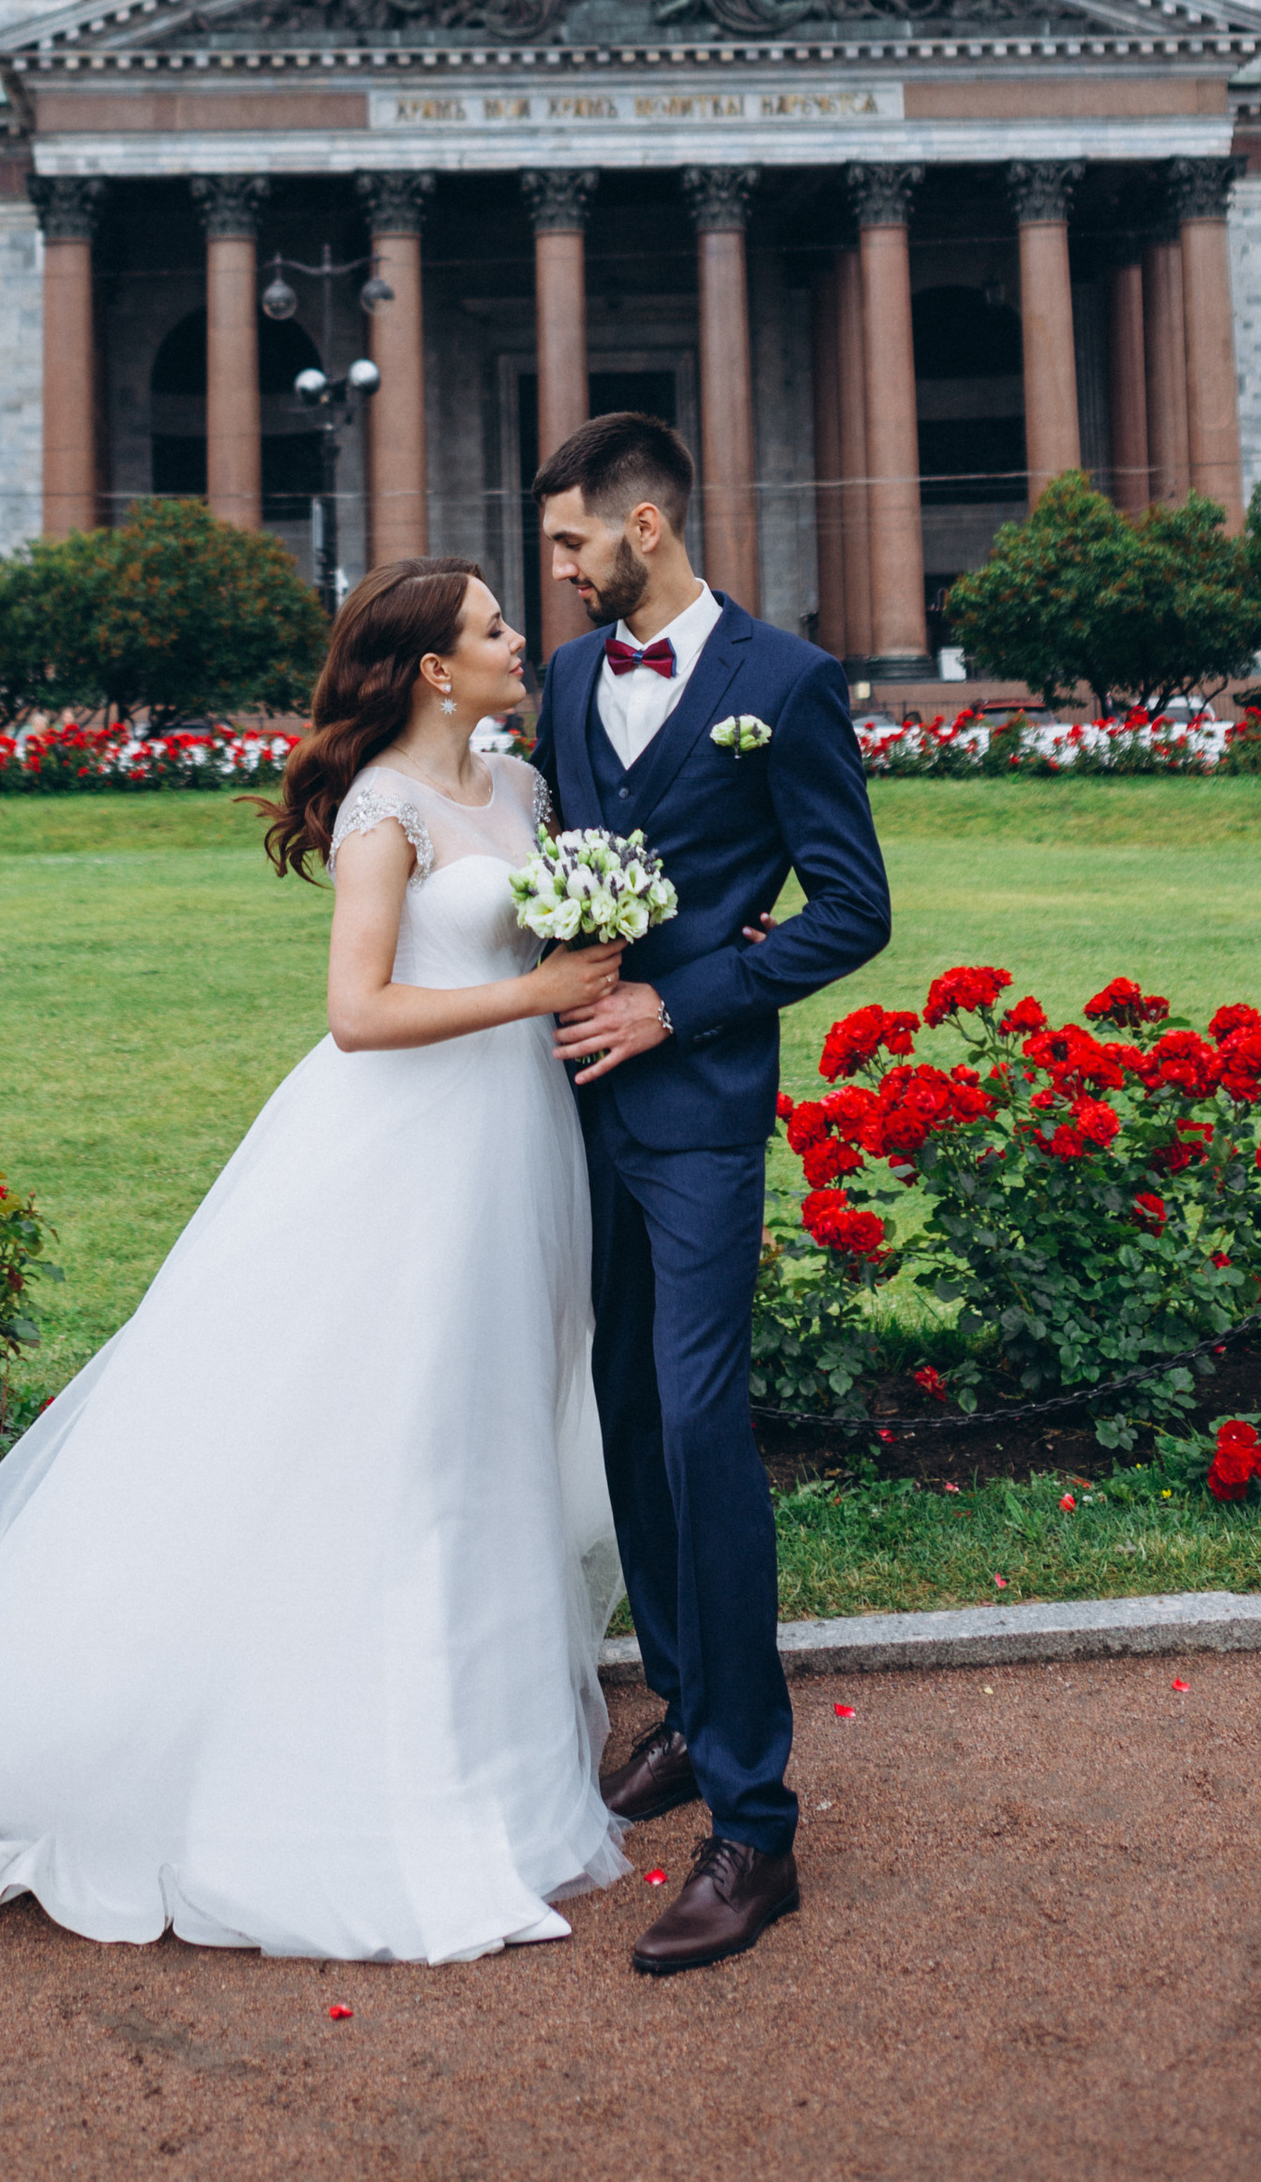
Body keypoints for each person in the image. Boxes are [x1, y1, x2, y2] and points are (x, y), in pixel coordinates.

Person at [0, 558, 630, 1963]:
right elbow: (359, 1012)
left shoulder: (523, 790)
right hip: (407, 1143)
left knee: (490, 1430)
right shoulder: (385, 805)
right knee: (391, 1436)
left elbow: (552, 922)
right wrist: (539, 989)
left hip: (518, 1141)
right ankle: (343, 1774)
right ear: (436, 668)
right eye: (495, 626)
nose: (523, 639)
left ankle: (501, 1767)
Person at [533, 410, 893, 1975]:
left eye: (569, 544)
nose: (554, 571)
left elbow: (855, 910)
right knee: (619, 1418)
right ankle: (683, 1708)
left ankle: (756, 1824)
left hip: (695, 1112)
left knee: (695, 1422)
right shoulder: (560, 682)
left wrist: (684, 1006)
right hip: (557, 1117)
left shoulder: (787, 683)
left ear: (648, 530)